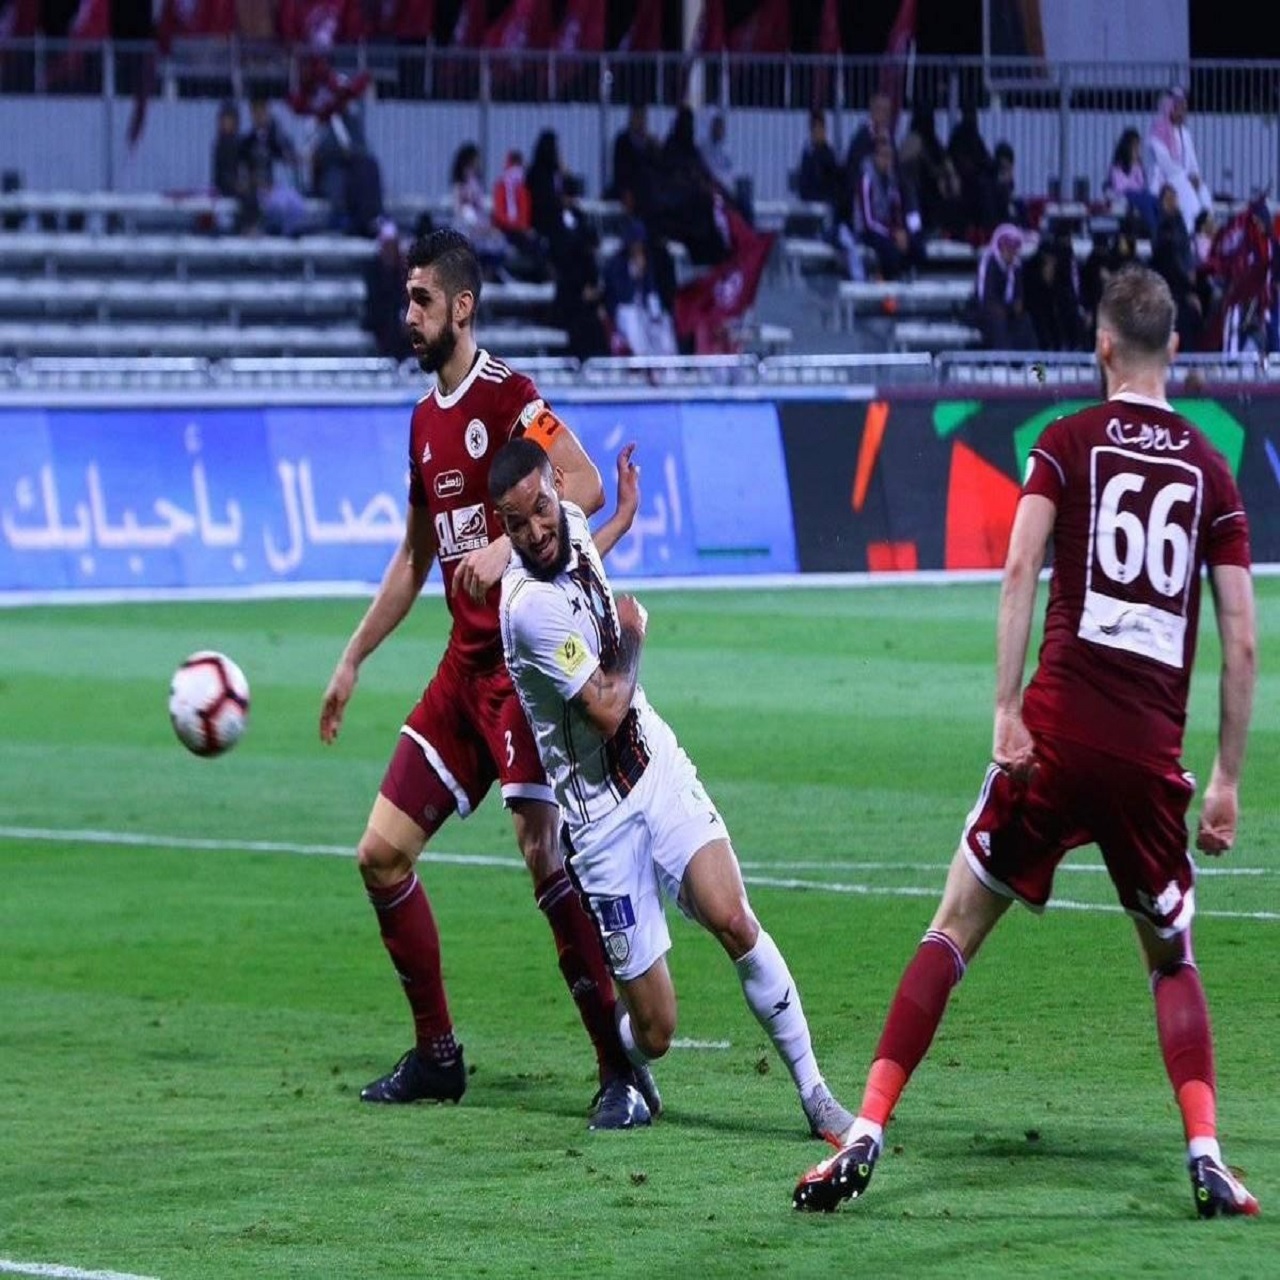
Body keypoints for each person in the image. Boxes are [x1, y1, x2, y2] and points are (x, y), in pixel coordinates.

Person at [794, 264, 1260, 1221]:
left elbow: (1018, 568)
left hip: (1053, 734)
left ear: (1100, 347)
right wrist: (1223, 780)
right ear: (1175, 350)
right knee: (1171, 958)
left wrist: (1006, 710)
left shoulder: (1065, 442)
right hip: (1145, 756)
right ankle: (1208, 1153)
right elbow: (1244, 637)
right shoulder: (1211, 470)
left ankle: (869, 1128)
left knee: (954, 926)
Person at [320, 228, 658, 1131]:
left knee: (543, 855)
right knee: (379, 856)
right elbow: (414, 554)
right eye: (408, 299)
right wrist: (354, 657)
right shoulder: (424, 419)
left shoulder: (514, 397)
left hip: (522, 674)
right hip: (459, 673)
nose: (409, 315)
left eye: (422, 300)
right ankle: (438, 1057)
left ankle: (621, 1070)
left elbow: (579, 481)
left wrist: (511, 538)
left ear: (462, 307)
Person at [488, 437, 857, 1146]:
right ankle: (620, 1058)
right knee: (657, 1032)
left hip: (653, 766)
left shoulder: (568, 520)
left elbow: (586, 557)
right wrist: (632, 634)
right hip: (598, 822)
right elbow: (604, 704)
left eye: (539, 510)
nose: (534, 533)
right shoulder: (527, 607)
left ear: (553, 488)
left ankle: (817, 1097)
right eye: (514, 525)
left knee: (734, 917)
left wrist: (622, 512)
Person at [855, 135, 925, 281]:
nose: (886, 161)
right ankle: (884, 281)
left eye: (889, 156)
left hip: (887, 227)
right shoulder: (866, 180)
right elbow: (869, 221)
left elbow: (897, 209)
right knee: (890, 251)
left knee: (916, 246)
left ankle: (908, 278)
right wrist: (893, 234)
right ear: (875, 156)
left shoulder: (892, 178)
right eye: (883, 156)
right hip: (868, 230)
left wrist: (903, 232)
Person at [1147, 87, 1212, 234]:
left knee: (1203, 190)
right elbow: (1165, 163)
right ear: (1170, 108)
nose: (1183, 112)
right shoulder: (1157, 132)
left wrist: (1195, 177)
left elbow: (1192, 163)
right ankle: (1190, 232)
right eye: (1179, 107)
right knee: (1188, 197)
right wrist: (1186, 178)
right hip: (1165, 182)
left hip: (1184, 180)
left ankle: (1205, 230)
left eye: (1184, 108)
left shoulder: (1185, 134)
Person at [973, 222, 1036, 349]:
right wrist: (1005, 309)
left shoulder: (1016, 267)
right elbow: (985, 297)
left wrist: (1016, 305)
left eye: (1014, 248)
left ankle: (1035, 367)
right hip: (984, 311)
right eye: (1008, 247)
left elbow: (1018, 298)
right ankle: (1002, 364)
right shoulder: (989, 262)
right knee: (998, 320)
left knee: (1026, 322)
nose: (1011, 252)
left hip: (1008, 311)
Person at [1105, 126, 1159, 237]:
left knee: (1155, 200)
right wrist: (1132, 175)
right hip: (1125, 194)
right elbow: (1119, 187)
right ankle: (1154, 232)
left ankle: (1162, 229)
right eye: (1135, 147)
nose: (1137, 150)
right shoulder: (1117, 166)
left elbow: (1142, 184)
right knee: (1147, 203)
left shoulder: (1137, 165)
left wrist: (1137, 166)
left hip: (1139, 193)